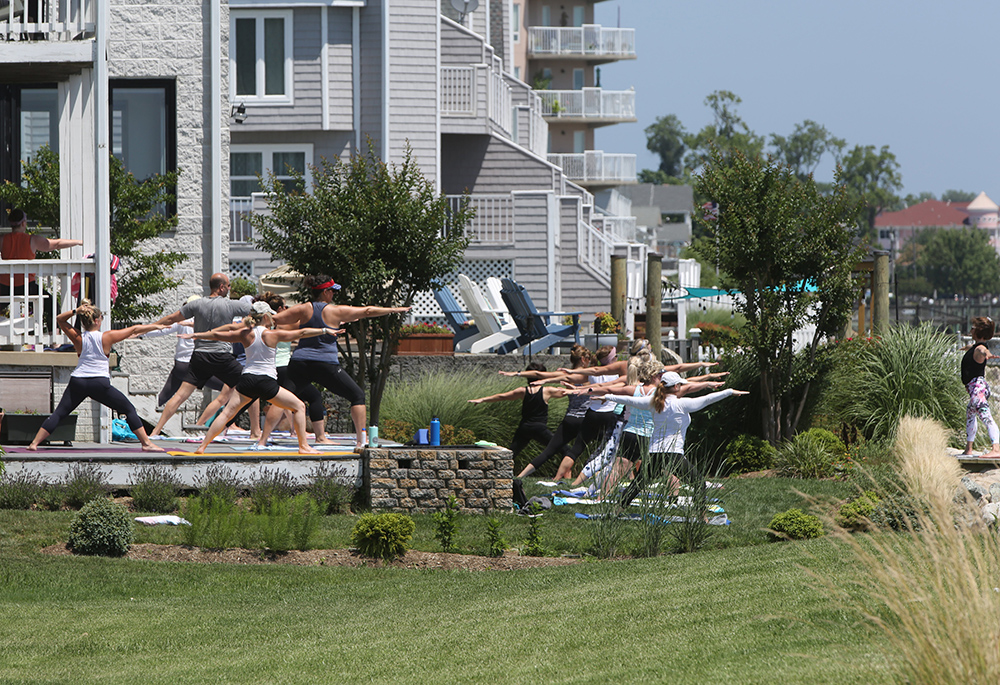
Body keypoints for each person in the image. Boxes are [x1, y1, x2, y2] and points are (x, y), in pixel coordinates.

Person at [270, 274, 410, 452]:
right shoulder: (334, 311)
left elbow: (277, 319)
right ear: (326, 292)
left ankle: (261, 439)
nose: (334, 295)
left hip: (300, 362)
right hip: (325, 364)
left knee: (281, 399)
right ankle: (361, 441)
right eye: (332, 292)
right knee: (357, 396)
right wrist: (393, 310)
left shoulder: (303, 309)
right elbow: (367, 311)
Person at [182, 301, 343, 455]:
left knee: (226, 414)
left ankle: (203, 446)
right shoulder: (272, 334)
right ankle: (304, 446)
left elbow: (218, 334)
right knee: (299, 406)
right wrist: (324, 330)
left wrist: (197, 335)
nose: (273, 318)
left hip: (246, 380)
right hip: (265, 381)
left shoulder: (245, 334)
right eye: (271, 316)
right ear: (266, 316)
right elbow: (301, 333)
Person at [587, 371, 747, 509]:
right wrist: (729, 392)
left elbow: (629, 400)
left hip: (654, 453)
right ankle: (701, 517)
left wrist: (607, 396)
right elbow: (707, 399)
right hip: (673, 454)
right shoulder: (681, 404)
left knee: (637, 485)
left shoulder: (653, 403)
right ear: (676, 387)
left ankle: (617, 511)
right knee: (699, 484)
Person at [27, 301, 164, 452]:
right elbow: (135, 329)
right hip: (99, 383)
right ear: (97, 320)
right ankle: (146, 443)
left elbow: (60, 319)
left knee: (60, 413)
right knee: (129, 409)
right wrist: (156, 326)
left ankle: (34, 443)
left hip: (78, 381)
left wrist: (75, 311)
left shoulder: (78, 337)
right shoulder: (107, 337)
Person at [149, 273, 252, 436]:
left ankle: (155, 432)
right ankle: (250, 430)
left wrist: (147, 328)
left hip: (200, 356)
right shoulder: (231, 305)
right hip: (221, 356)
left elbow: (170, 319)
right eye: (229, 286)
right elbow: (258, 314)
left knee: (180, 395)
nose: (230, 289)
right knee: (252, 385)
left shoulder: (196, 304)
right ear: (222, 287)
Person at [1, 208, 83, 331]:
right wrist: (78, 242)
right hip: (26, 286)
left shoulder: (2, 240)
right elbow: (57, 244)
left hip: (4, 286)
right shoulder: (32, 240)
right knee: (52, 305)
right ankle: (54, 338)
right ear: (23, 223)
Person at [469, 362, 567, 460]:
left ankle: (501, 472)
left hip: (524, 428)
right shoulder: (547, 390)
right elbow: (566, 393)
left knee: (511, 454)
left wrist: (482, 399)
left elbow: (502, 396)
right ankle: (565, 474)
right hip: (539, 429)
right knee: (565, 450)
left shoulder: (522, 391)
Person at [961, 316, 1000, 458]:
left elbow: (983, 350)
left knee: (986, 416)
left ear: (979, 332)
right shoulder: (974, 347)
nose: (971, 330)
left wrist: (988, 354)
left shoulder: (980, 348)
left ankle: (996, 448)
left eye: (973, 328)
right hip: (975, 389)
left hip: (978, 388)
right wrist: (965, 348)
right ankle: (969, 448)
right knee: (970, 414)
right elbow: (974, 348)